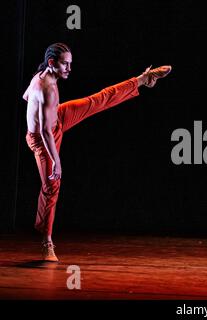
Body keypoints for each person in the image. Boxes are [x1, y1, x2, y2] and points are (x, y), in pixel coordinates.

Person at [23, 43, 172, 261]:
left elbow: (26, 97)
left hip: (57, 120)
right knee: (52, 185)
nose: (69, 68)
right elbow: (45, 131)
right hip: (43, 140)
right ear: (52, 62)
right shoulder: (46, 88)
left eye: (70, 63)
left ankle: (143, 79)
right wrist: (56, 161)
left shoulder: (42, 76)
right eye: (65, 64)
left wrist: (40, 111)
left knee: (98, 100)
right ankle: (47, 242)